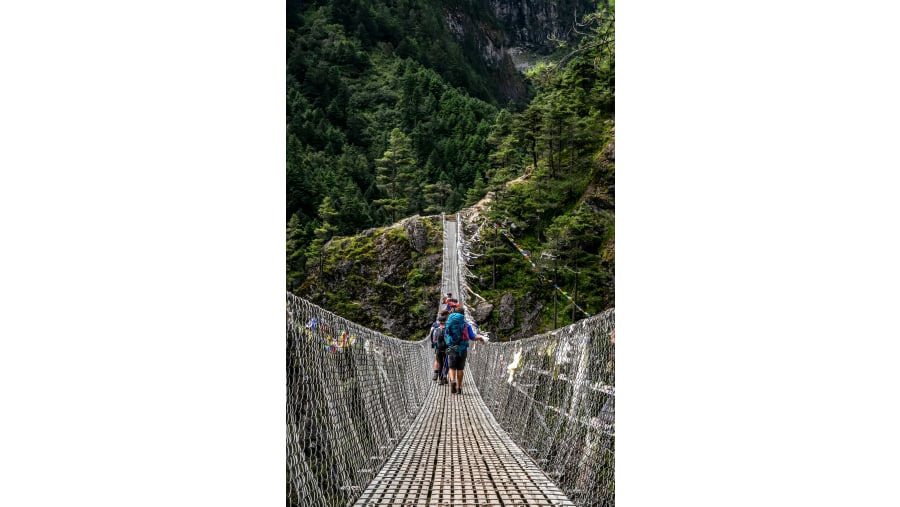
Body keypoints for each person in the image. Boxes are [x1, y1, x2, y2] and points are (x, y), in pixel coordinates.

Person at [444, 306, 483, 395]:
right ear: (463, 314)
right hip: (462, 349)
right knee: (460, 368)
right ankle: (459, 387)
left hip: (452, 348)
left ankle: (453, 381)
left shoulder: (449, 322)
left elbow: (446, 335)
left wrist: (449, 343)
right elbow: (472, 337)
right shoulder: (466, 325)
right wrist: (480, 337)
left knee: (451, 367)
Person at [430, 310, 450, 383]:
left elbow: (433, 339)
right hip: (446, 349)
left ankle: (441, 379)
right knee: (447, 363)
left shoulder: (435, 330)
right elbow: (448, 340)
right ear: (445, 321)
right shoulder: (447, 329)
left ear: (439, 321)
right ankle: (445, 375)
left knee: (440, 363)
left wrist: (435, 345)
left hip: (438, 349)